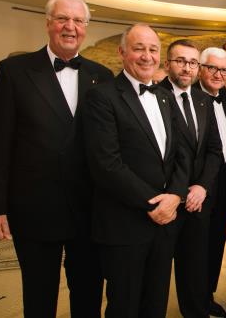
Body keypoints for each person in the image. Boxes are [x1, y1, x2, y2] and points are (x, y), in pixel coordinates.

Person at [0, 0, 111, 318]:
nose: (70, 27)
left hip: (88, 210)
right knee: (39, 299)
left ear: (85, 28)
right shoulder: (13, 71)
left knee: (88, 295)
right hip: (35, 208)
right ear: (48, 23)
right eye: (62, 19)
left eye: (78, 21)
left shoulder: (103, 76)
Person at [82, 24, 190, 317]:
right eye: (138, 48)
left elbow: (181, 155)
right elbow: (106, 164)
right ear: (122, 52)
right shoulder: (102, 97)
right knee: (124, 306)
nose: (146, 56)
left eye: (153, 49)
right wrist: (154, 202)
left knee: (155, 305)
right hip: (124, 225)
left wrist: (176, 197)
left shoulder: (165, 97)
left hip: (164, 223)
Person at [159, 40, 224, 318]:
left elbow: (214, 149)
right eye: (180, 61)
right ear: (167, 64)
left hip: (199, 201)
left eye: (192, 62)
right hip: (165, 200)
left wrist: (202, 186)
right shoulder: (154, 95)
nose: (187, 67)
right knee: (158, 272)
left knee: (195, 270)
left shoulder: (203, 99)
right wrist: (180, 192)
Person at [195, 48, 226, 317]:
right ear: (200, 68)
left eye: (223, 70)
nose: (218, 74)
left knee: (215, 244)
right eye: (212, 68)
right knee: (196, 248)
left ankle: (207, 294)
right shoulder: (189, 98)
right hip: (198, 187)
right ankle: (195, 300)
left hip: (225, 186)